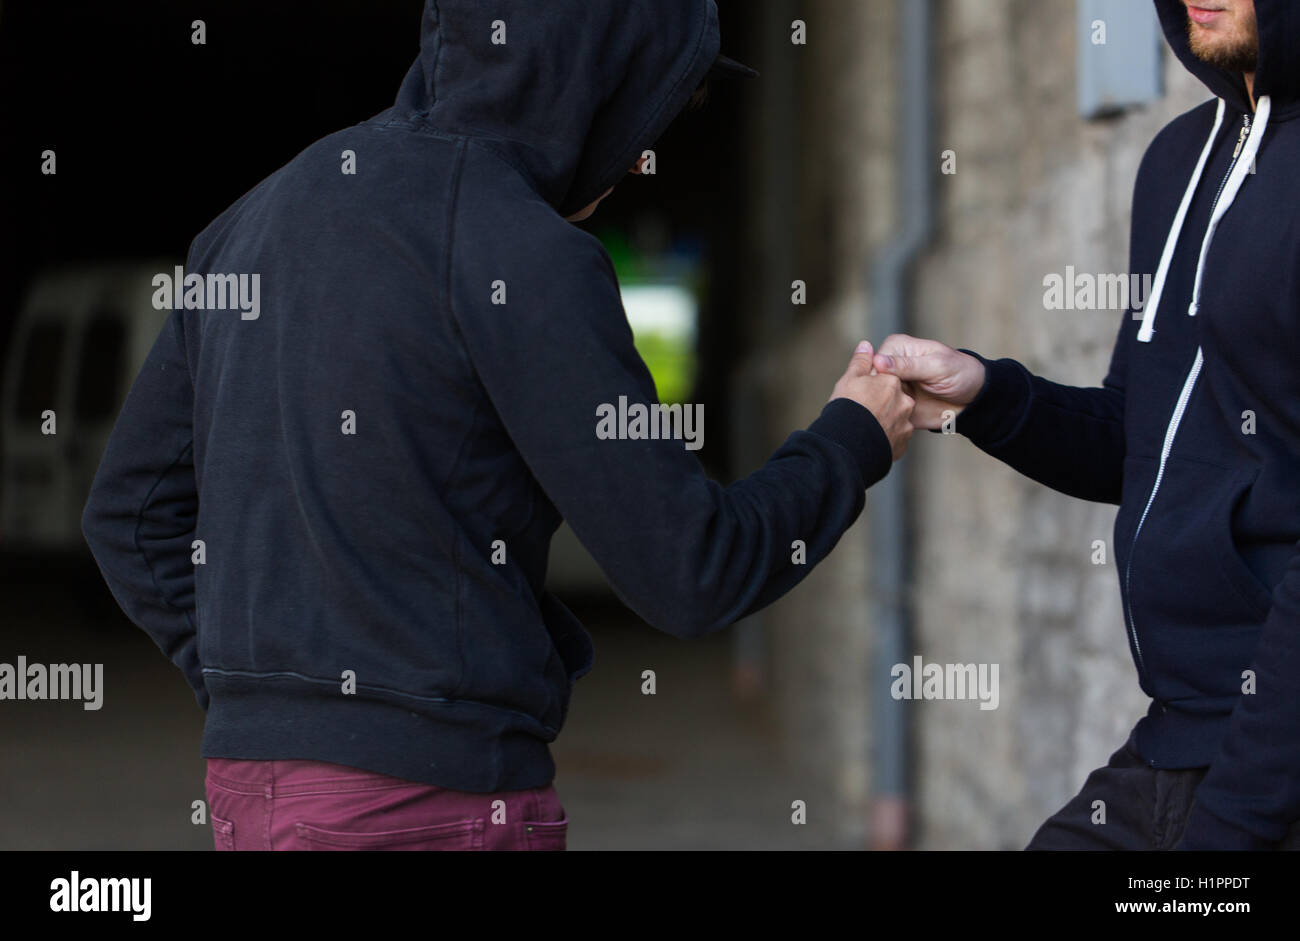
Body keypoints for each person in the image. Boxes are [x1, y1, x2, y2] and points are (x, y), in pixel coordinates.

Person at [80, 0, 914, 850]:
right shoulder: (522, 250)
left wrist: (265, 699)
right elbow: (693, 569)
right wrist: (855, 434)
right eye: (651, 111)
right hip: (428, 810)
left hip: (250, 794)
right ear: (593, 85)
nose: (640, 158)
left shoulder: (248, 223)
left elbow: (129, 517)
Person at [874, 0, 1300, 849]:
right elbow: (1137, 440)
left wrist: (1234, 821)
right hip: (1178, 740)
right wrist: (988, 395)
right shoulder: (1179, 162)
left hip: (1270, 758)